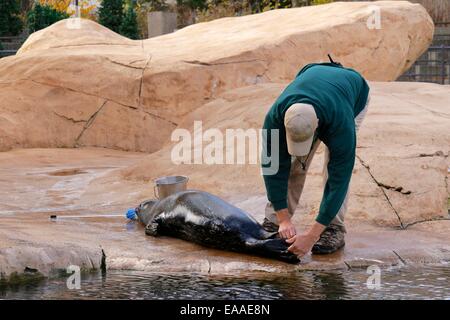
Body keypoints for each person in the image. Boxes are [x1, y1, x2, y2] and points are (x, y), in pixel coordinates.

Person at [261, 57, 370, 259]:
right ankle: (274, 220)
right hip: (312, 75)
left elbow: (340, 179)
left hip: (352, 97)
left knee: (332, 169)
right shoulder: (274, 118)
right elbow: (273, 168)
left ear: (318, 124)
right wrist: (283, 219)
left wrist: (312, 236)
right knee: (293, 163)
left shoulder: (341, 122)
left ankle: (333, 228)